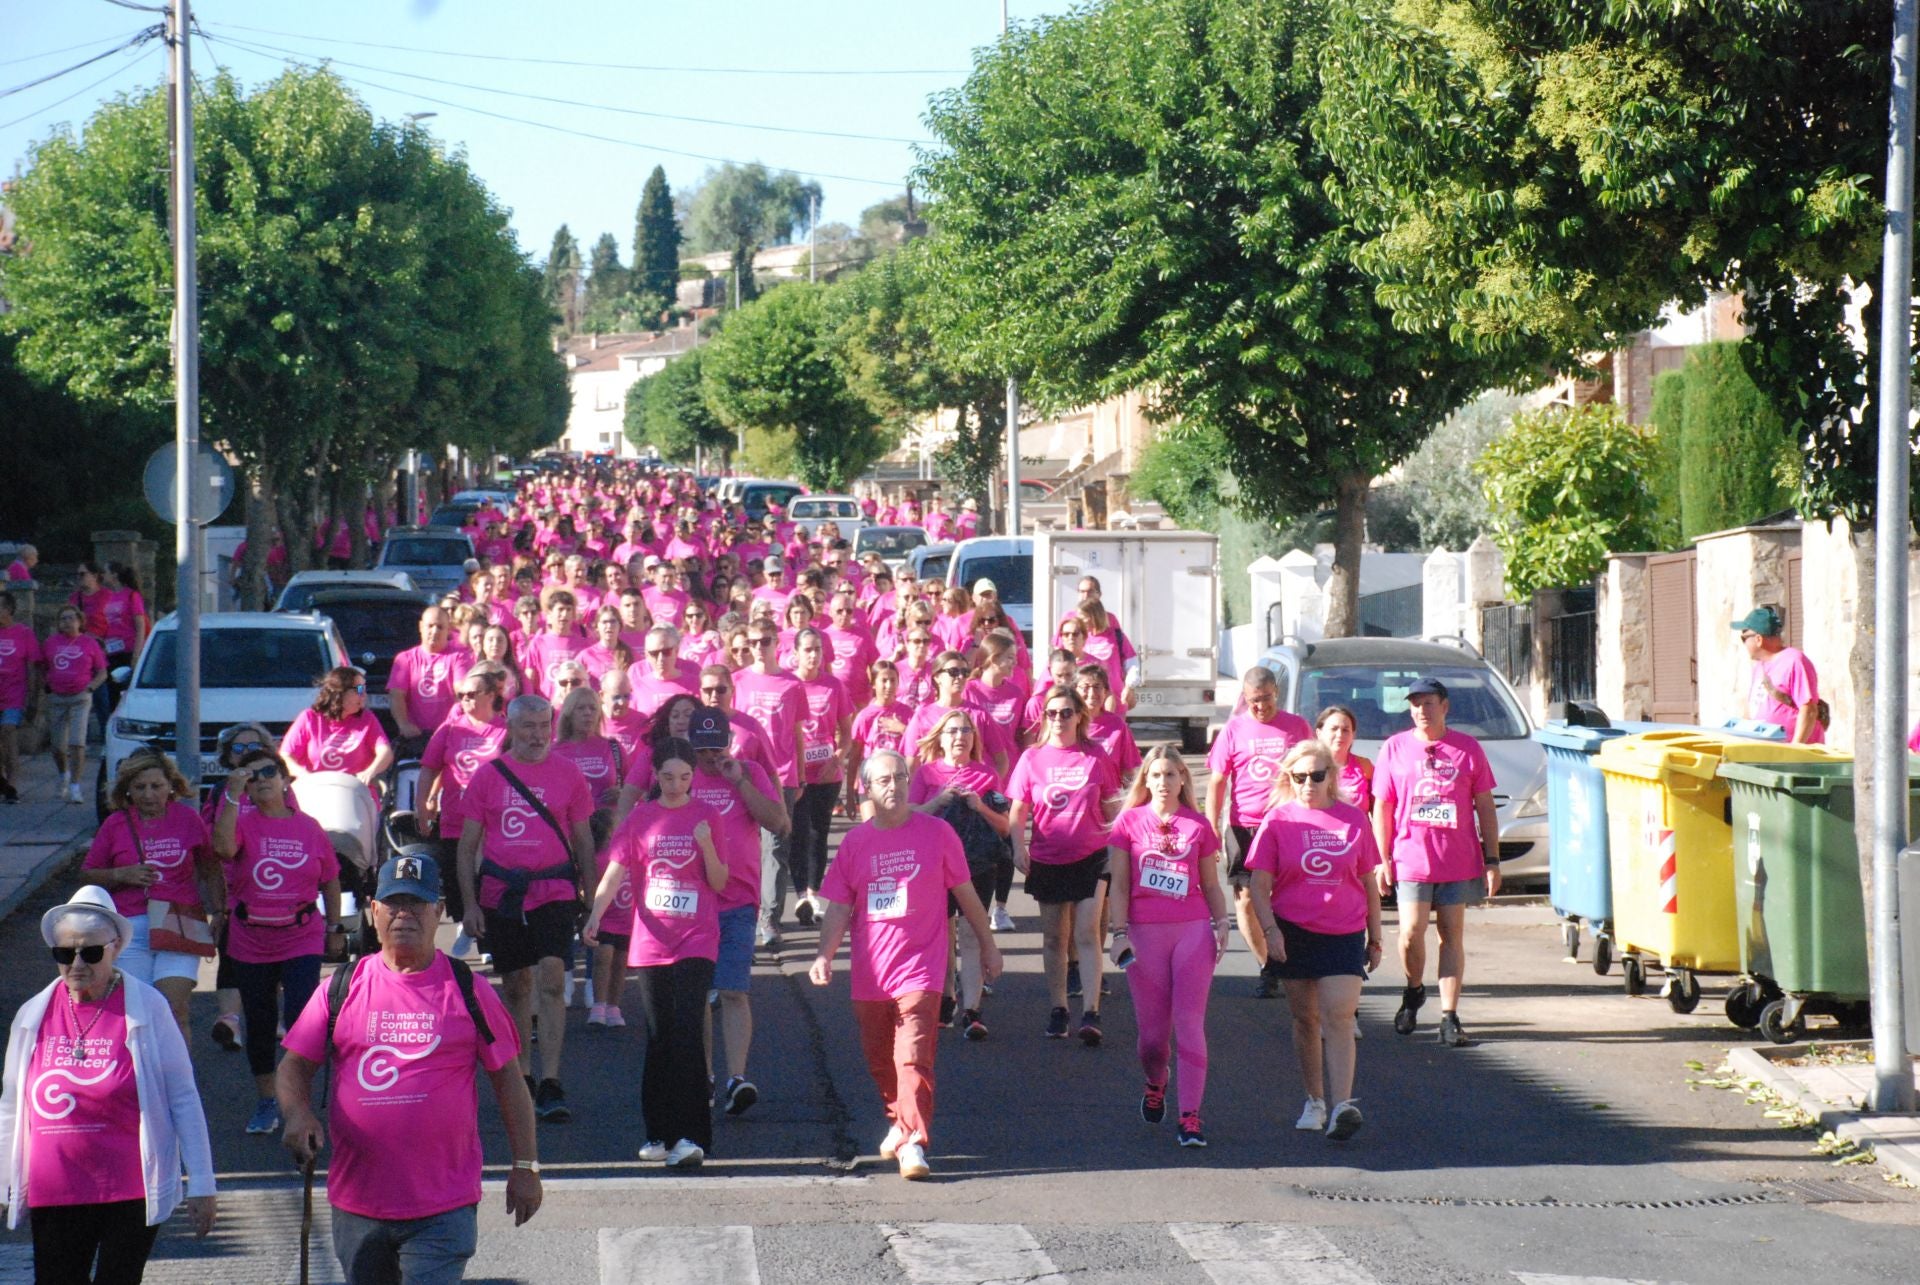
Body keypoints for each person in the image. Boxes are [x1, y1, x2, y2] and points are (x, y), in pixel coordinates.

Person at [279, 854, 541, 1283]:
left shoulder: (468, 989)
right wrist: (297, 1113)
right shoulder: (340, 989)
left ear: (438, 912)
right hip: (358, 1204)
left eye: (417, 904)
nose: (405, 914)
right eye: (393, 903)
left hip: (443, 1205)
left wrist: (526, 1167)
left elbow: (509, 1082)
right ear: (373, 910)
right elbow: (293, 1068)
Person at [0, 886, 217, 1279]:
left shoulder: (148, 1007)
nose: (77, 964)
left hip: (129, 1189)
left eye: (91, 952)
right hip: (56, 1189)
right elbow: (12, 1105)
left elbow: (183, 1096)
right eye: (65, 954)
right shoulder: (33, 1014)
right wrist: (3, 1181)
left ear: (114, 947)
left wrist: (202, 1183)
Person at [810, 750, 1003, 1181]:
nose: (892, 786)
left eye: (899, 777)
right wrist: (824, 954)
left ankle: (914, 1140)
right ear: (866, 788)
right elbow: (839, 908)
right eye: (883, 780)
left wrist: (988, 946)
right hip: (872, 972)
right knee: (881, 1059)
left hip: (922, 966)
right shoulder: (856, 843)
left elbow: (966, 892)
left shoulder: (937, 833)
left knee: (913, 1055)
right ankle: (899, 1120)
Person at [585, 737, 727, 1168]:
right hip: (651, 943)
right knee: (659, 1037)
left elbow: (720, 881)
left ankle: (692, 1135)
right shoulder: (641, 818)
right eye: (667, 777)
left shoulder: (707, 816)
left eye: (684, 777)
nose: (676, 785)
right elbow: (614, 872)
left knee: (687, 1032)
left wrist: (704, 844)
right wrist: (595, 915)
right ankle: (659, 1133)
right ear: (655, 776)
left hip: (697, 939)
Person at [457, 695, 595, 1123]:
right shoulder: (488, 777)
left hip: (554, 889)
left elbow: (585, 841)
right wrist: (470, 905)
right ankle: (523, 1076)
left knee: (553, 976)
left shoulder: (569, 774)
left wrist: (593, 900)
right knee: (516, 985)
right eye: (528, 727)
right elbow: (466, 848)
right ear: (511, 729)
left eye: (543, 726)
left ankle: (551, 1080)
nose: (537, 735)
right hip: (503, 893)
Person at [1248, 739, 1384, 1140]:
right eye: (1299, 776)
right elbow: (1259, 884)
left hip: (1343, 931)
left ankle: (1343, 1105)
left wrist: (1375, 938)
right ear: (1289, 778)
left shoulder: (1353, 819)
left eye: (1317, 775)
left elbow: (1368, 882)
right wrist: (1270, 931)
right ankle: (1315, 1099)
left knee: (1338, 1017)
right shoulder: (1277, 821)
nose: (1309, 783)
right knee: (1305, 1020)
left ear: (1331, 777)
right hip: (1294, 932)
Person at [212, 746, 344, 1136]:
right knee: (261, 1020)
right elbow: (221, 849)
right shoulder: (240, 821)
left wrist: (336, 927)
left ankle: (298, 1097)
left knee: (305, 1015)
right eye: (251, 776)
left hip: (301, 935)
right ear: (245, 788)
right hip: (251, 939)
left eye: (269, 770)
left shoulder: (309, 826)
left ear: (285, 779)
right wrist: (233, 796)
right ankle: (268, 1099)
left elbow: (331, 878)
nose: (262, 778)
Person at [1104, 746, 1228, 1148]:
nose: (1162, 782)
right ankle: (1156, 1081)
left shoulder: (1198, 825)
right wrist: (1117, 931)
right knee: (1153, 1039)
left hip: (1192, 930)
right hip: (1144, 932)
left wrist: (1221, 922)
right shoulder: (1127, 823)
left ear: (1182, 780)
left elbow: (1210, 882)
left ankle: (1190, 1116)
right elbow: (1119, 884)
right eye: (1155, 775)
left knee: (1190, 1024)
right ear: (1146, 780)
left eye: (1171, 775)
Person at [1372, 677, 1499, 1047]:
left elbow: (1485, 806)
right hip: (1411, 855)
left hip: (1457, 858)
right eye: (1414, 705)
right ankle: (1413, 990)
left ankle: (1449, 1014)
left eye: (1428, 704)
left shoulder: (1467, 748)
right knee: (1411, 931)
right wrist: (1383, 858)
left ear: (1444, 706)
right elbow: (1382, 806)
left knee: (1451, 934)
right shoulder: (1395, 748)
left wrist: (1492, 859)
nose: (1420, 711)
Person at [1008, 686, 1123, 1043]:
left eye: (1066, 712)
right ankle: (1059, 1009)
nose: (1058, 719)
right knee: (1055, 937)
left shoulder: (1094, 755)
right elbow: (1018, 810)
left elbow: (1111, 805)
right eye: (1052, 713)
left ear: (1079, 717)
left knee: (1087, 932)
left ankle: (1091, 1012)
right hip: (1048, 857)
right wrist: (1017, 847)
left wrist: (1118, 852)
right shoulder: (1032, 758)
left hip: (1091, 856)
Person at [82, 748, 219, 1039]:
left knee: (174, 1008)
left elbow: (210, 866)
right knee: (137, 1015)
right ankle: (142, 1081)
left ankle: (180, 1083)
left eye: (156, 786)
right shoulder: (115, 824)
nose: (148, 795)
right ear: (127, 790)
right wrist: (120, 874)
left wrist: (221, 912)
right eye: (139, 787)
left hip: (178, 923)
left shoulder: (188, 820)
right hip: (129, 929)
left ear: (171, 786)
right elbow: (87, 875)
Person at [1205, 667, 1314, 997]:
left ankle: (1295, 958)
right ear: (1245, 697)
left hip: (1287, 825)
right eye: (1254, 701)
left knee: (1287, 897)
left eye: (1266, 699)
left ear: (1276, 694)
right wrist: (1210, 830)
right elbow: (1217, 782)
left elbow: (1313, 773)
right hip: (1244, 828)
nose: (1261, 707)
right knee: (1247, 901)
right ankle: (1268, 965)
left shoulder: (1297, 727)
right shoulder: (1234, 729)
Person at [907, 707, 1011, 1038]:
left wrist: (979, 806)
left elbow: (1005, 827)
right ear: (940, 738)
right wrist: (938, 801)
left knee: (969, 934)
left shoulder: (986, 774)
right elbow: (908, 817)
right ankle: (947, 999)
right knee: (944, 934)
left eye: (966, 731)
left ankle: (972, 1010)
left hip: (976, 865)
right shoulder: (926, 774)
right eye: (952, 731)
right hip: (935, 865)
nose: (959, 736)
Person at [419, 667, 511, 947]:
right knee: (457, 878)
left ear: (492, 695)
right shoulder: (449, 729)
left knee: (488, 879)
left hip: (494, 822)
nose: (466, 700)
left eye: (473, 694)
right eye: (462, 696)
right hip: (455, 817)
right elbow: (429, 769)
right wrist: (422, 807)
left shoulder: (506, 729)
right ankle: (465, 922)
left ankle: (487, 936)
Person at [733, 621, 808, 947]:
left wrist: (801, 774)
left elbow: (796, 734)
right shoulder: (737, 680)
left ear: (777, 643)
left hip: (782, 774)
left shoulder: (792, 683)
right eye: (753, 642)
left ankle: (770, 918)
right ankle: (744, 912)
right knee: (744, 845)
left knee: (776, 847)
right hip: (743, 773)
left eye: (765, 641)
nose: (759, 647)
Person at [789, 629, 854, 925]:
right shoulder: (788, 684)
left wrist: (837, 759)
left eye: (817, 649)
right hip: (794, 774)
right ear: (796, 653)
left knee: (818, 834)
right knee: (797, 833)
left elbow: (847, 734)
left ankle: (813, 894)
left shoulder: (833, 685)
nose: (813, 655)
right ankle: (800, 892)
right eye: (807, 649)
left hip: (827, 774)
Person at [282, 667, 396, 804]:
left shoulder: (367, 719)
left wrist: (369, 772)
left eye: (364, 690)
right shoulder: (309, 718)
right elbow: (285, 756)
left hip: (356, 796)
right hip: (316, 794)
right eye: (359, 690)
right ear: (340, 693)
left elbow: (385, 752)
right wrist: (305, 776)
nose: (364, 695)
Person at [388, 605, 475, 757]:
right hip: (415, 736)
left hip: (448, 734)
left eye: (440, 627)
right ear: (421, 626)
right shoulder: (405, 659)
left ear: (449, 630)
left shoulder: (459, 657)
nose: (434, 631)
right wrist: (404, 724)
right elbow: (396, 695)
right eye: (430, 626)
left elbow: (461, 689)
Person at [1735, 605, 1825, 744]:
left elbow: (1809, 709)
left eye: (1744, 638)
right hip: (1767, 752)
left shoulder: (1794, 661)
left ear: (1758, 639)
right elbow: (1753, 707)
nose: (1744, 643)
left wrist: (1795, 749)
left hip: (1793, 757)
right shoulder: (1759, 666)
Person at [0, 590, 43, 802]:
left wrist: (33, 697)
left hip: (14, 695)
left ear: (8, 610)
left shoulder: (23, 634)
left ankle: (13, 783)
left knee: (8, 733)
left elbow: (33, 667)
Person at [1316, 705, 1375, 814]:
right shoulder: (1308, 768)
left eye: (1345, 730)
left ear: (1353, 735)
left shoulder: (1365, 767)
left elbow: (1378, 811)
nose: (1339, 735)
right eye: (1334, 729)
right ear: (1319, 733)